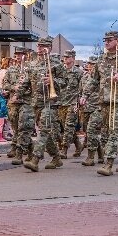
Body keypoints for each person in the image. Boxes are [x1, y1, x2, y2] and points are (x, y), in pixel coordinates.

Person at [24, 37, 66, 173]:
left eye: (43, 46)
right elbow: (26, 81)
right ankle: (56, 157)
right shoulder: (33, 63)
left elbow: (65, 81)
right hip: (36, 102)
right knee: (45, 131)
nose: (40, 48)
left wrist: (53, 81)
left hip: (51, 102)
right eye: (39, 46)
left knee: (44, 130)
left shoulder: (56, 63)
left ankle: (35, 159)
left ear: (50, 47)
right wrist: (17, 94)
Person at [94, 32, 118, 176]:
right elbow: (94, 80)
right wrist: (85, 95)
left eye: (109, 40)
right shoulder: (101, 59)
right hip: (104, 100)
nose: (106, 42)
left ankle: (108, 163)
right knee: (110, 132)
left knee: (115, 131)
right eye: (105, 40)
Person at [1, 46, 34, 166]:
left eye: (21, 54)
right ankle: (30, 149)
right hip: (13, 101)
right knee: (15, 127)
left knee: (23, 126)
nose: (18, 57)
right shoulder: (11, 69)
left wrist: (24, 89)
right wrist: (13, 88)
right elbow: (5, 83)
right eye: (17, 55)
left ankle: (19, 152)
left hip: (26, 101)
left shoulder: (30, 68)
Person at [58, 49, 82, 159]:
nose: (65, 59)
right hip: (61, 103)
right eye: (64, 57)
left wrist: (79, 103)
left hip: (72, 103)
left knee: (68, 127)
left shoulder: (78, 72)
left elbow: (82, 89)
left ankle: (64, 149)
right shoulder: (60, 71)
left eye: (67, 57)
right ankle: (78, 144)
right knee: (67, 127)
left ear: (73, 58)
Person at [80, 56, 102, 166]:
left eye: (93, 64)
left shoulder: (100, 77)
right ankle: (101, 153)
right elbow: (80, 92)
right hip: (86, 108)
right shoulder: (84, 77)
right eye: (90, 64)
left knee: (91, 130)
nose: (91, 66)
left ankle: (91, 157)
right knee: (88, 132)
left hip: (98, 107)